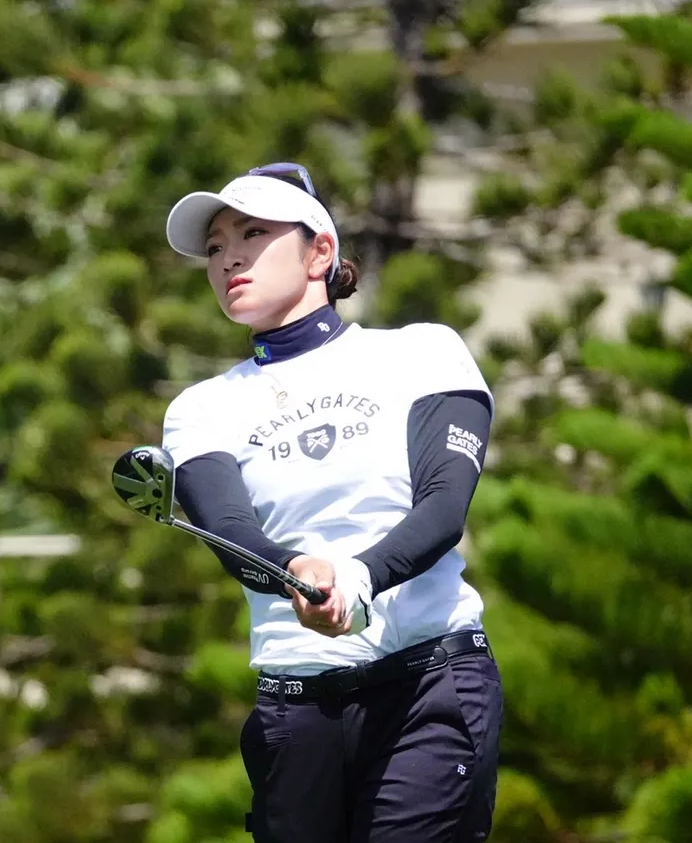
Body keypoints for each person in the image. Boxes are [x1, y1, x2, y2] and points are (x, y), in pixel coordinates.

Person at [159, 162, 503, 843]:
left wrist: (356, 578)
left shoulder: (423, 352)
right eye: (216, 246)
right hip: (295, 712)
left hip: (427, 689)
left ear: (320, 252)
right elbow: (231, 531)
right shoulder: (200, 408)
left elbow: (443, 507)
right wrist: (297, 571)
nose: (229, 258)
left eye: (252, 234)